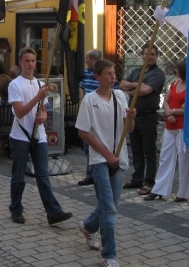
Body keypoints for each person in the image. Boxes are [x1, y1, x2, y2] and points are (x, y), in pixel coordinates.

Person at [75, 59, 136, 267]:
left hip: (120, 158)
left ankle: (88, 226)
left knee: (110, 204)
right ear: (97, 77)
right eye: (108, 74)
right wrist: (106, 154)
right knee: (109, 209)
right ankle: (109, 255)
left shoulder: (120, 96)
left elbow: (129, 129)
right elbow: (83, 131)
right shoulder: (90, 100)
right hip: (100, 160)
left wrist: (132, 118)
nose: (113, 77)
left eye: (113, 73)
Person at [8, 47, 73, 226]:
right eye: (27, 61)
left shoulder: (38, 84)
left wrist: (42, 117)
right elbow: (19, 112)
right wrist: (37, 98)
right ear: (20, 63)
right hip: (21, 134)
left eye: (33, 61)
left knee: (43, 175)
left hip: (39, 135)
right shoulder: (15, 84)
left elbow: (44, 111)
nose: (30, 64)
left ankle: (53, 211)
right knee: (19, 175)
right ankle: (16, 208)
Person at [119, 43, 165, 195]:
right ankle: (137, 178)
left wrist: (133, 90)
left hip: (148, 117)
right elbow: (122, 84)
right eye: (147, 54)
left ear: (156, 57)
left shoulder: (158, 74)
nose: (149, 57)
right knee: (136, 149)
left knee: (149, 150)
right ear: (142, 55)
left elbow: (146, 90)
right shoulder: (136, 71)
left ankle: (149, 181)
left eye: (152, 54)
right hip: (133, 117)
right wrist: (136, 85)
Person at [144, 58, 189, 202]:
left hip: (183, 126)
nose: (174, 70)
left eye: (177, 68)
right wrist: (168, 112)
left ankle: (183, 192)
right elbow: (166, 101)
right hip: (170, 126)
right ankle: (160, 189)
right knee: (165, 157)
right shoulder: (174, 83)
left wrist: (173, 112)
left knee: (184, 159)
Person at [78, 49, 119, 187]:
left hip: (103, 117)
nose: (113, 76)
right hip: (89, 111)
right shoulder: (86, 75)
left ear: (92, 59)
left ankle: (98, 170)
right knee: (88, 146)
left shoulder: (117, 95)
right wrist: (82, 99)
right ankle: (91, 172)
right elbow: (82, 88)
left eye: (87, 57)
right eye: (109, 73)